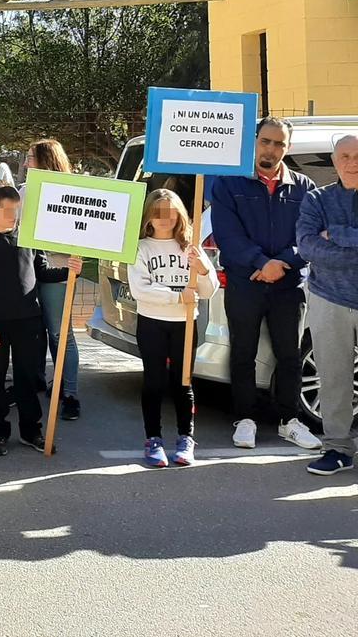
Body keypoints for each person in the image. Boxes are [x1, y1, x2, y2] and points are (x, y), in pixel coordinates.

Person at [211, 117, 321, 451]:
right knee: (242, 352)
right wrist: (261, 263)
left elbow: (310, 237)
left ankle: (290, 422)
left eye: (279, 144)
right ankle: (244, 420)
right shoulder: (229, 185)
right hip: (246, 283)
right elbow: (228, 237)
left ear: (286, 148)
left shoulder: (304, 188)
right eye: (266, 141)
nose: (271, 149)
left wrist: (283, 262)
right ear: (255, 141)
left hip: (289, 286)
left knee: (289, 355)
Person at [0, 184, 82, 456]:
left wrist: (70, 272)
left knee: (28, 378)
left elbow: (42, 272)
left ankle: (31, 430)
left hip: (30, 321)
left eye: (15, 210)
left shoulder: (28, 238)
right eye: (6, 210)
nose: (12, 215)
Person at [128, 189, 219, 469]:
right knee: (154, 382)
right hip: (152, 321)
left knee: (183, 384)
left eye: (170, 212)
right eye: (158, 213)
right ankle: (153, 439)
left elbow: (209, 290)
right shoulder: (141, 247)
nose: (164, 218)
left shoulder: (190, 247)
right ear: (149, 217)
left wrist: (203, 270)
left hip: (184, 323)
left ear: (179, 214)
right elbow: (139, 290)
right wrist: (177, 296)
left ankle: (186, 438)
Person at [297, 133, 358, 476]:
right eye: (345, 156)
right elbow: (307, 247)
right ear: (334, 163)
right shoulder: (316, 200)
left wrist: (335, 235)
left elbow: (324, 244)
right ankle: (337, 450)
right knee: (334, 378)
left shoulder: (325, 216)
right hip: (328, 299)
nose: (352, 163)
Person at [21, 139, 84, 421]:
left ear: (47, 161)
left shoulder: (72, 192)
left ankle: (69, 393)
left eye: (31, 158)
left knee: (60, 334)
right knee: (38, 335)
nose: (25, 164)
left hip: (58, 272)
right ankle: (48, 382)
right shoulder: (24, 192)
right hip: (28, 275)